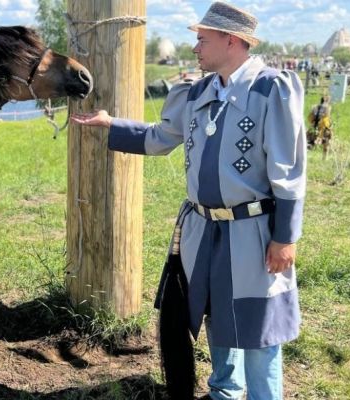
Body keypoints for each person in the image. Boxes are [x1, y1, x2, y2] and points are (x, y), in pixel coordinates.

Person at [71, 2, 305, 399]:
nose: (195, 47)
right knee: (216, 314)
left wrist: (285, 237)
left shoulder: (271, 89)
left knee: (259, 324)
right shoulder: (198, 92)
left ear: (231, 40)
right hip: (203, 229)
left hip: (252, 233)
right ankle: (224, 392)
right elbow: (161, 139)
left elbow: (289, 170)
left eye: (202, 39)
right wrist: (112, 124)